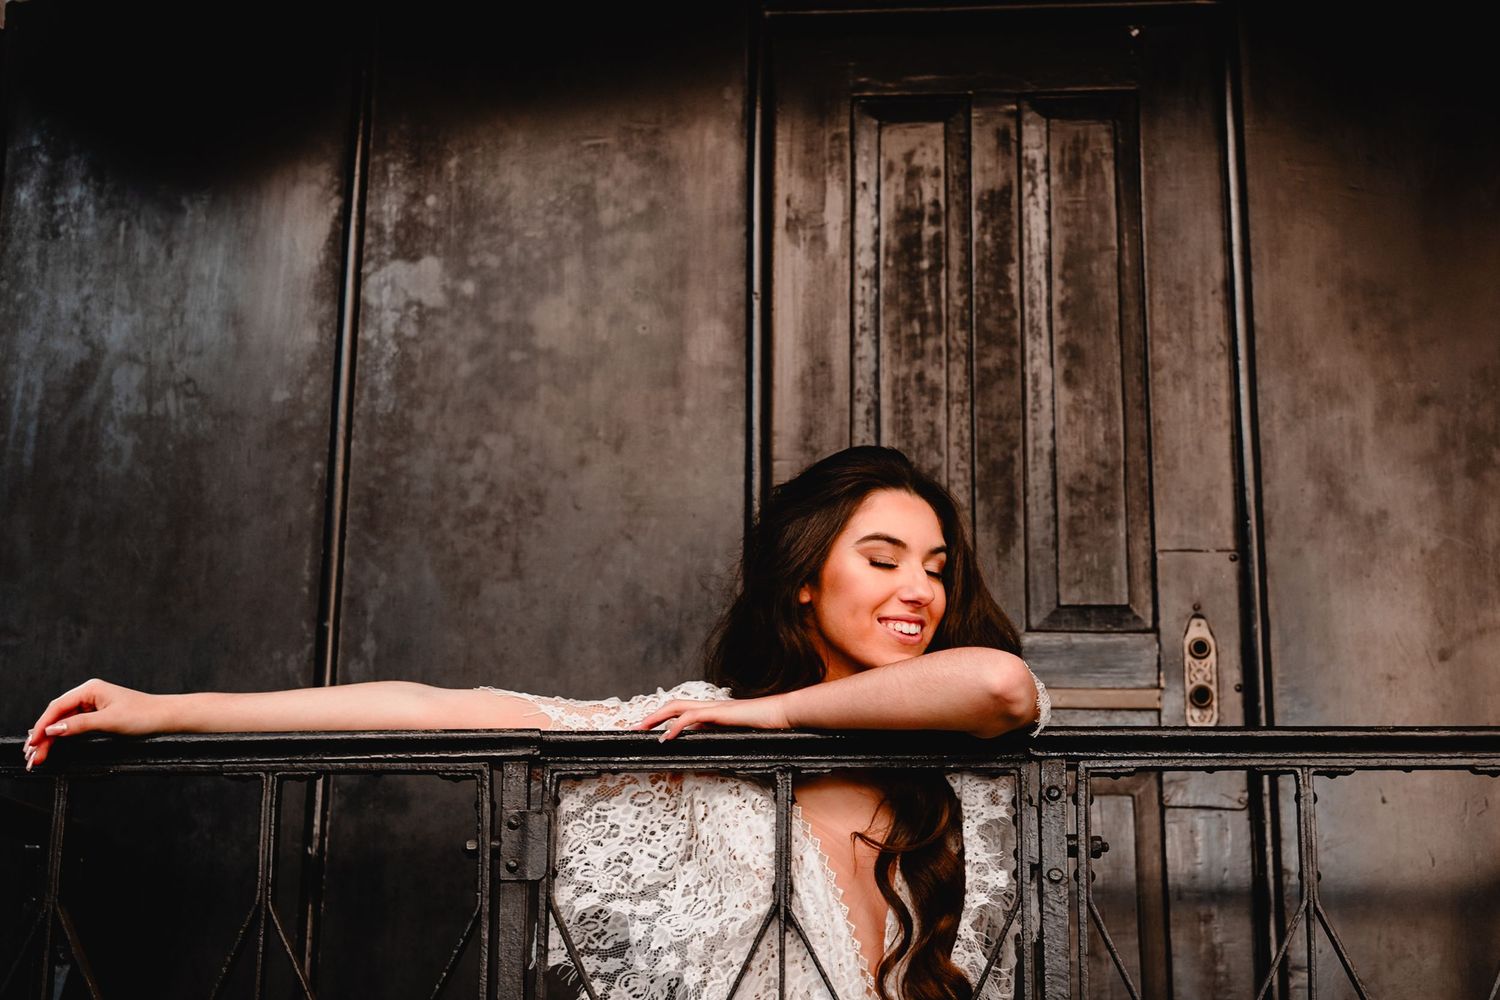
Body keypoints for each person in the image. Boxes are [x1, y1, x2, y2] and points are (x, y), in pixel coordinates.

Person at [24, 446, 1048, 1000]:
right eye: (883, 558)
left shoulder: (955, 744)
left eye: (936, 566)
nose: (919, 586)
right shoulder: (685, 735)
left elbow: (1002, 682)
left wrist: (769, 716)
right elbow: (443, 711)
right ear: (802, 586)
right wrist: (163, 712)